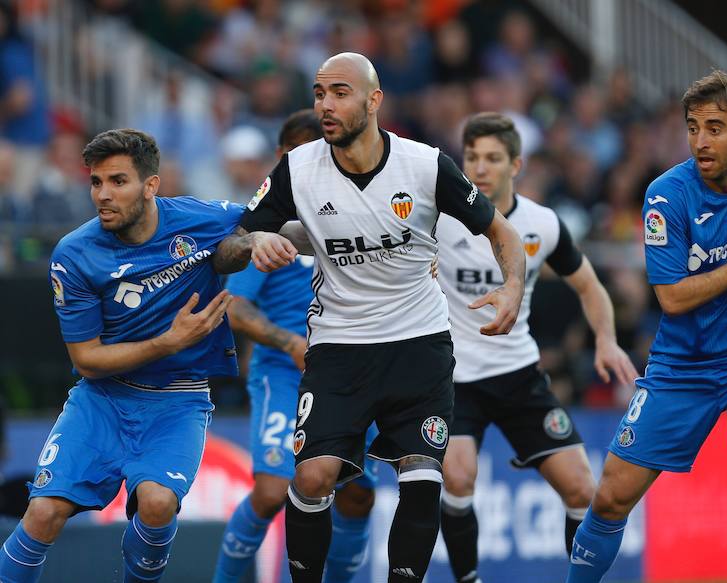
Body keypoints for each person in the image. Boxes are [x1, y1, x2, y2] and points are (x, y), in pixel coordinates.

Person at [215, 52, 526, 583]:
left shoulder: (425, 165)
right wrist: (257, 240)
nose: (326, 104)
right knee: (312, 478)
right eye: (319, 93)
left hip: (419, 343)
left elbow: (503, 232)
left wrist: (512, 288)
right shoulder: (298, 168)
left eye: (340, 92)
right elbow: (230, 247)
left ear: (374, 100)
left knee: (423, 477)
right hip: (338, 346)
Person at [566, 70, 727, 583]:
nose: (701, 141)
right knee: (614, 493)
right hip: (682, 364)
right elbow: (671, 297)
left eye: (714, 128)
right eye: (693, 128)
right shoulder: (668, 195)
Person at [0, 129, 245, 582]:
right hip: (102, 399)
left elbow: (264, 223)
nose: (103, 195)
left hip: (178, 399)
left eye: (118, 181)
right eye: (96, 182)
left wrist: (265, 238)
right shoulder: (74, 254)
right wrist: (168, 342)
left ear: (151, 186)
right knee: (43, 513)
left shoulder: (199, 218)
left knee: (156, 503)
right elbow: (88, 359)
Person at [436, 112, 638, 583]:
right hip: (453, 378)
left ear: (516, 165)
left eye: (492, 158)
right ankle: (468, 579)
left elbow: (590, 286)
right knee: (459, 476)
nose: (480, 169)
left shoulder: (542, 224)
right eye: (472, 158)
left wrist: (605, 341)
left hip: (519, 376)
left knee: (581, 489)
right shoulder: (440, 220)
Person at [214, 109, 379, 583]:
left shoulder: (358, 215)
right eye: (304, 151)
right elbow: (234, 307)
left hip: (350, 375)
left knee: (356, 494)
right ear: (284, 157)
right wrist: (288, 341)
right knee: (271, 491)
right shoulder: (265, 225)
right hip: (285, 373)